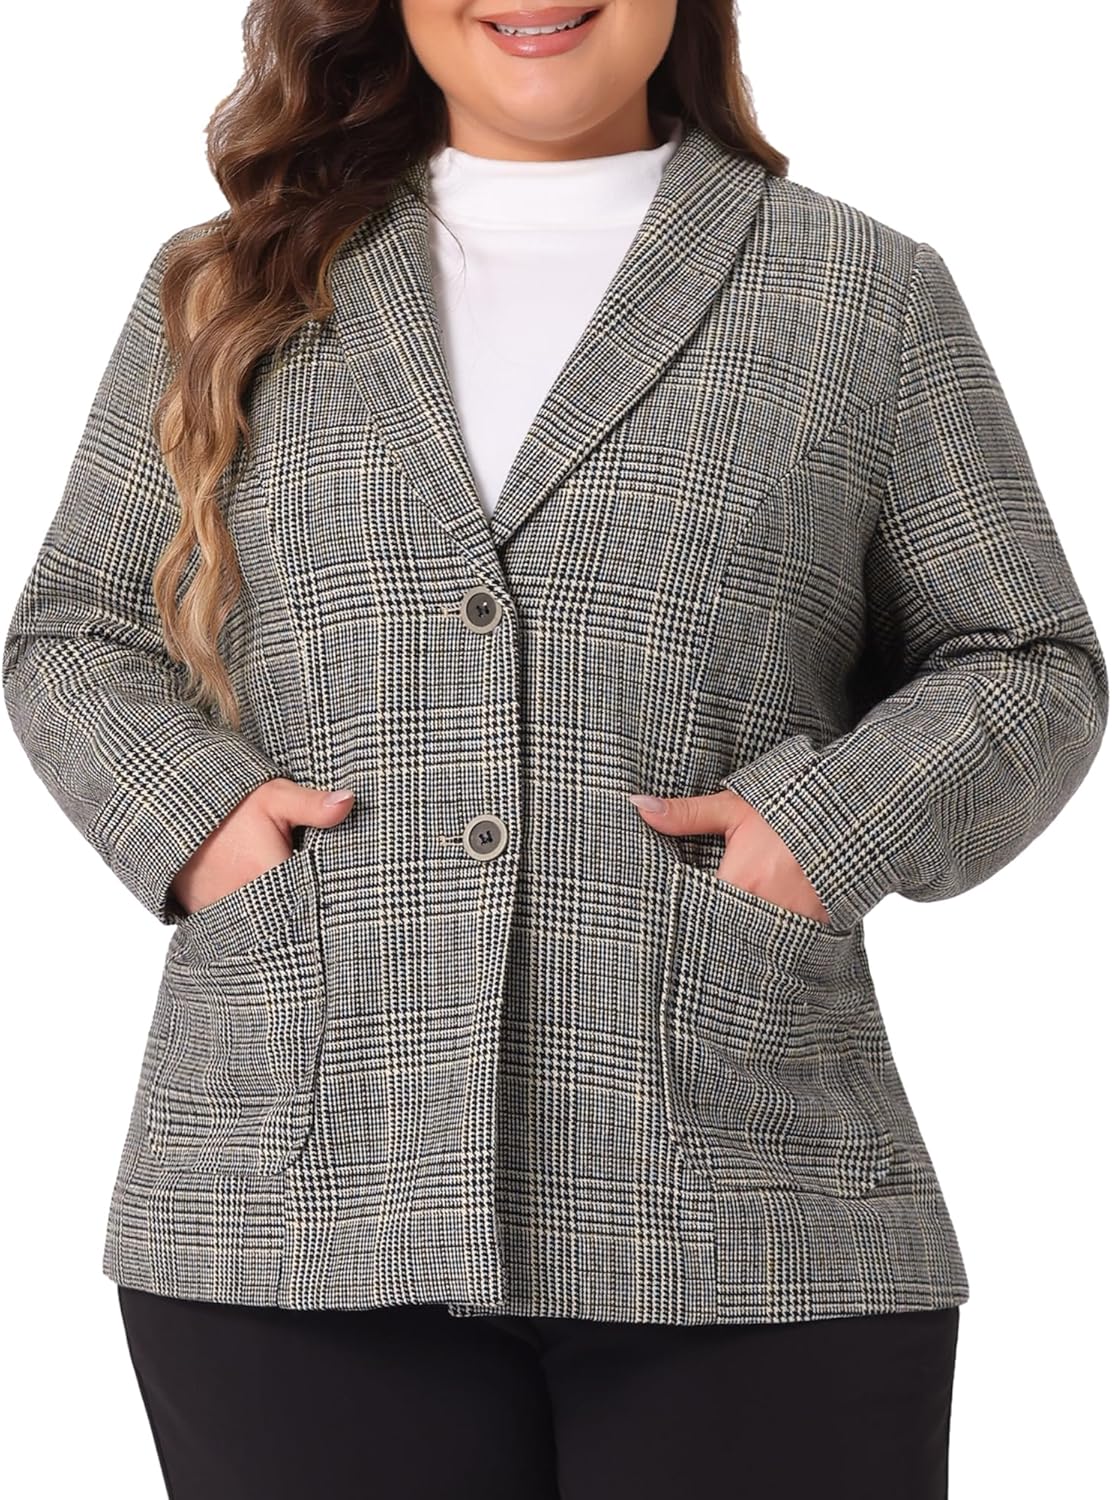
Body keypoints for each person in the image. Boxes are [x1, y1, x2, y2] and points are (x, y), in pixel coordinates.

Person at [4, 0, 1107, 1496]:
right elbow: (78, 631)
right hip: (295, 1191)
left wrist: (827, 832)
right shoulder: (226, 284)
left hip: (745, 1200)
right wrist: (204, 826)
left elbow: (1027, 660)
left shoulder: (863, 292)